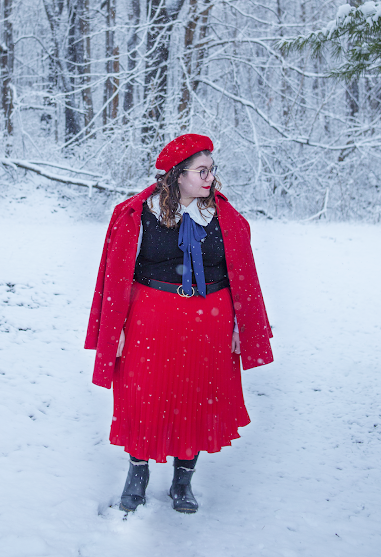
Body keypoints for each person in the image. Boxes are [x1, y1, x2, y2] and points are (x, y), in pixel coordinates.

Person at [84, 133, 273, 514]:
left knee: (197, 398)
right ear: (176, 175)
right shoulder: (137, 215)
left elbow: (243, 276)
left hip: (210, 324)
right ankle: (137, 474)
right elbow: (116, 278)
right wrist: (115, 328)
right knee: (144, 396)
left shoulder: (225, 218)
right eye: (201, 171)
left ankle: (183, 481)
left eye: (211, 169)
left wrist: (241, 324)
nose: (210, 178)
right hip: (150, 322)